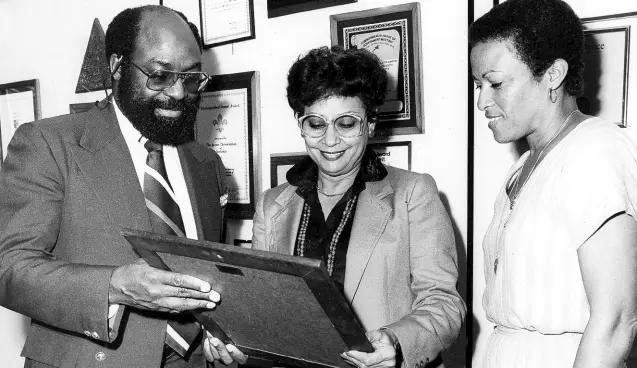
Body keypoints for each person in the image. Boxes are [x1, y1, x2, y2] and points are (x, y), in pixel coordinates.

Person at [204, 45, 466, 368]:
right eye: (316, 124)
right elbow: (264, 314)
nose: (330, 141)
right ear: (301, 123)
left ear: (370, 124)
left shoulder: (413, 193)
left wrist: (396, 341)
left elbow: (444, 303)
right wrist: (236, 342)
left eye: (346, 124)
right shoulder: (273, 205)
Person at [0, 5, 229, 368]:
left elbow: (217, 271)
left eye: (190, 77)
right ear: (118, 67)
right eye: (159, 75)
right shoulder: (48, 143)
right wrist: (115, 286)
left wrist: (222, 331)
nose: (179, 93)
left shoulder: (207, 164)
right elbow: (8, 266)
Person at [470, 0, 637, 366]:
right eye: (478, 84)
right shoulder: (525, 166)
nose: (482, 100)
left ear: (552, 75)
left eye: (496, 83)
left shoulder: (595, 150)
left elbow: (616, 323)